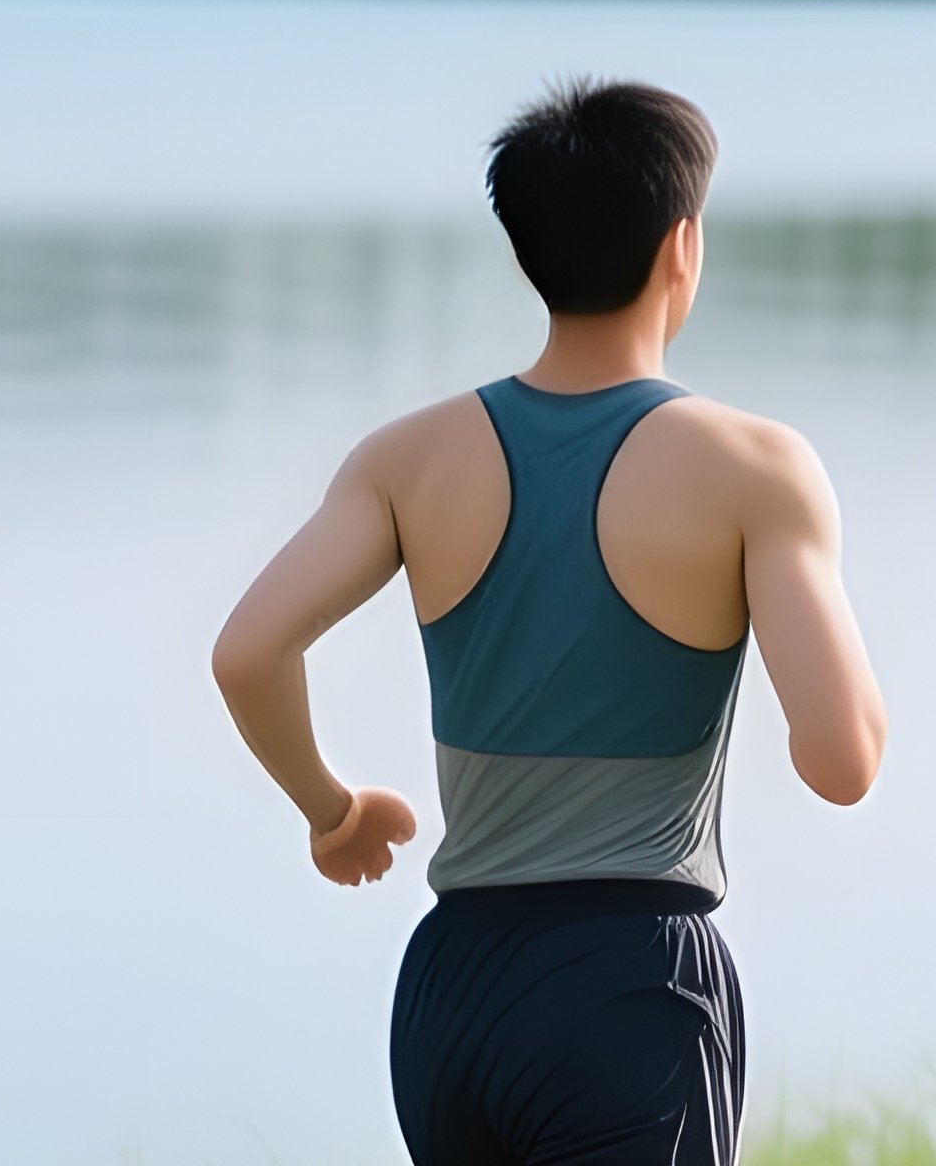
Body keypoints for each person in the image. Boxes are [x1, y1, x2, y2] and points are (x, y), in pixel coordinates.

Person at [210, 76, 888, 1166]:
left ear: (529, 250)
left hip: (452, 993)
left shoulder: (404, 460)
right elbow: (842, 761)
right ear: (682, 248)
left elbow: (247, 651)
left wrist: (330, 810)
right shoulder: (757, 469)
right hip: (631, 984)